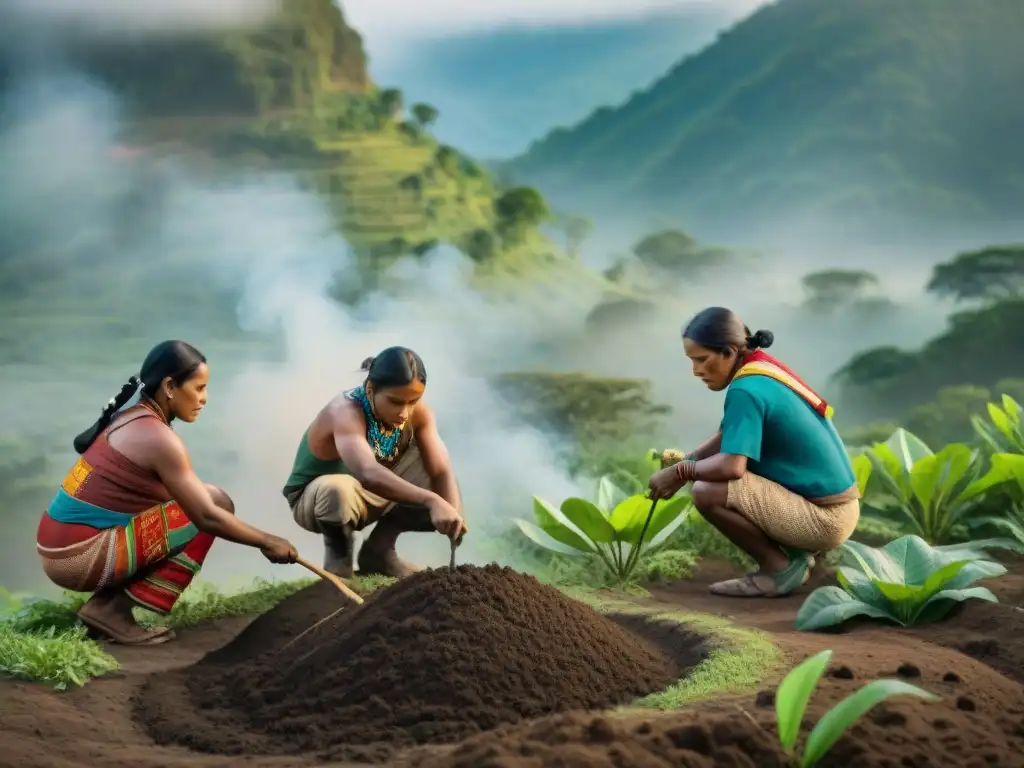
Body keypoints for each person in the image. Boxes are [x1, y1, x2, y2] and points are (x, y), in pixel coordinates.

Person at [36, 341, 298, 646]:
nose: (204, 399)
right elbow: (207, 516)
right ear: (170, 386)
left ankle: (107, 604)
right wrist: (268, 541)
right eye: (199, 388)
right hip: (78, 556)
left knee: (203, 498)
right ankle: (112, 610)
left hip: (60, 547)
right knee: (215, 504)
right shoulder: (157, 438)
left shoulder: (132, 417)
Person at [648, 307, 859, 598]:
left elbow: (732, 466)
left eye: (702, 359)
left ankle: (779, 568)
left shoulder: (744, 390)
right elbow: (728, 438)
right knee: (707, 476)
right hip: (839, 508)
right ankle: (796, 556)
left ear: (729, 351)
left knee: (706, 491)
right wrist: (688, 461)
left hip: (825, 519)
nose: (696, 371)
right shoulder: (761, 367)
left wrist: (681, 471)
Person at [282, 346, 467, 579]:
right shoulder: (345, 411)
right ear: (370, 388)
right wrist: (431, 500)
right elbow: (367, 473)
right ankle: (338, 563)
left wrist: (452, 514)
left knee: (439, 481)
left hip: (372, 492)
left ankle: (379, 550)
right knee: (336, 489)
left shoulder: (419, 413)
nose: (405, 413)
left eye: (413, 401)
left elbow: (441, 471)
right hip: (316, 500)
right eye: (395, 402)